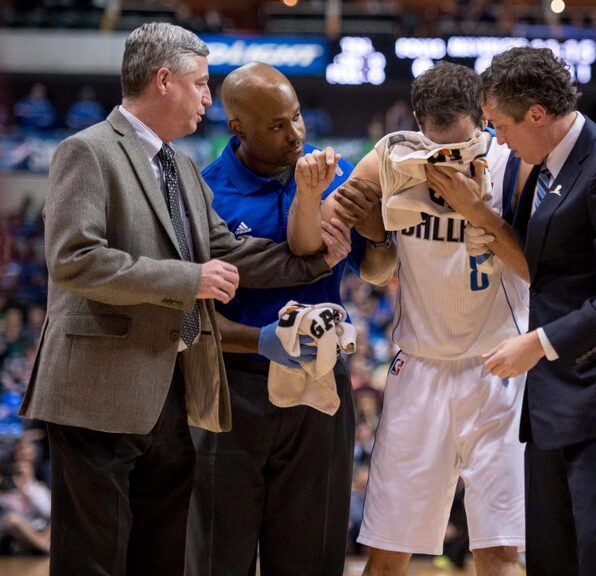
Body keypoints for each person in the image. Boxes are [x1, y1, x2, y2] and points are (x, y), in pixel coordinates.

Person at [19, 23, 349, 576]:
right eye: (199, 84)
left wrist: (319, 260)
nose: (206, 98)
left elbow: (233, 254)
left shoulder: (182, 168)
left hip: (170, 391)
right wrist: (187, 279)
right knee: (93, 557)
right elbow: (74, 258)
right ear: (164, 80)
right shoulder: (88, 150)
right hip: (95, 393)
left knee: (161, 553)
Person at [456, 47, 596, 576]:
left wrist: (539, 342)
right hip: (557, 397)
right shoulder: (542, 169)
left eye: (501, 125)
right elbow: (547, 268)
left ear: (536, 113)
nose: (499, 138)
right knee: (551, 562)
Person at [310, 61, 531, 576]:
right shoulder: (391, 154)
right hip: (421, 368)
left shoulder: (510, 161)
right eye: (436, 145)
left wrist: (479, 213)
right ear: (415, 122)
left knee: (497, 552)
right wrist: (362, 218)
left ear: (482, 116)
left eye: (456, 144)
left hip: (498, 367)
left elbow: (537, 269)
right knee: (387, 552)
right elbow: (347, 243)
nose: (446, 158)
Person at [184, 62, 395, 576]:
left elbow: (376, 270)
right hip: (232, 389)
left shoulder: (337, 175)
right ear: (238, 128)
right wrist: (261, 340)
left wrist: (379, 230)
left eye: (297, 117)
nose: (295, 133)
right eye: (277, 125)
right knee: (218, 555)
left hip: (320, 380)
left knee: (313, 553)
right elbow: (191, 318)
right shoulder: (205, 195)